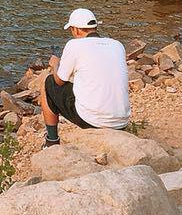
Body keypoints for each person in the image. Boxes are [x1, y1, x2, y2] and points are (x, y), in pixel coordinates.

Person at [41, 7, 129, 145]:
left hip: (92, 120)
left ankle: (51, 140)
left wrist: (55, 65)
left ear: (76, 29)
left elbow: (59, 80)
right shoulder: (117, 45)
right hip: (121, 120)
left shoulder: (74, 45)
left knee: (49, 83)